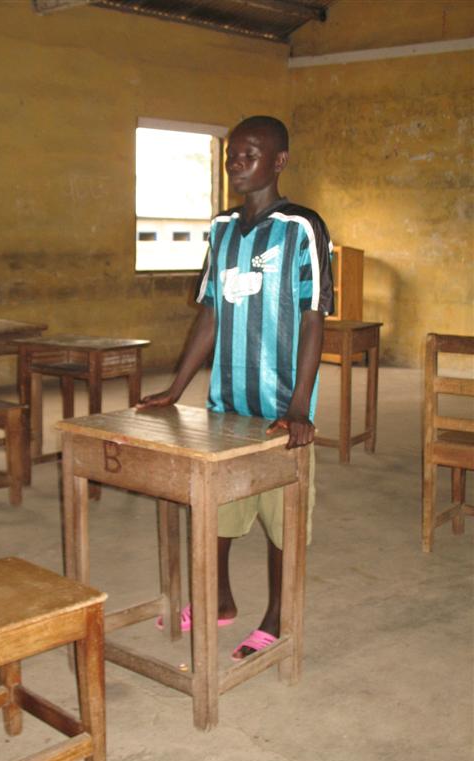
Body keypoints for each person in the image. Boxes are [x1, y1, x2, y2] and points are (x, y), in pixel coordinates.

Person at [137, 115, 334, 659]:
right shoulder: (222, 228)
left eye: (249, 155)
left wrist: (299, 407)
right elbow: (210, 314)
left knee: (282, 518)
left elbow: (314, 318)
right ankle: (218, 600)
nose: (236, 165)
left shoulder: (302, 227)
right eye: (231, 156)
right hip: (227, 404)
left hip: (279, 409)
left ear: (279, 161)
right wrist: (175, 389)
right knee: (218, 509)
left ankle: (277, 616)